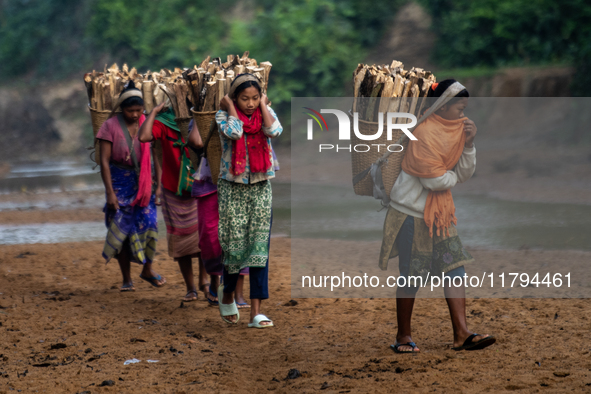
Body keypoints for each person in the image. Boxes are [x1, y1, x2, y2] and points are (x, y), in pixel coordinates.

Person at [379, 79, 496, 352]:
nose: (463, 115)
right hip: (410, 214)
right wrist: (452, 176)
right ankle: (403, 337)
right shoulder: (422, 131)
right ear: (442, 107)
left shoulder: (455, 132)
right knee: (411, 275)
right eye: (459, 108)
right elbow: (434, 181)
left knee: (455, 270)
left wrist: (469, 144)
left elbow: (463, 173)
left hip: (439, 215)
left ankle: (462, 334)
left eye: (465, 109)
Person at [215, 73, 282, 328]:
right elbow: (234, 132)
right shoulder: (223, 116)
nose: (251, 104)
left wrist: (265, 105)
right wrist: (230, 107)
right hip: (233, 187)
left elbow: (274, 130)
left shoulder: (265, 112)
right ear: (235, 98)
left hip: (261, 186)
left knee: (258, 248)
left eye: (255, 98)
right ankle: (228, 291)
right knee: (235, 247)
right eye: (245, 99)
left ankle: (256, 312)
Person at [96, 81, 165, 291]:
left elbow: (157, 156)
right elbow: (105, 162)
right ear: (121, 109)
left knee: (150, 224)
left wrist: (159, 187)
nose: (135, 115)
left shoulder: (148, 123)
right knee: (122, 232)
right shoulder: (110, 126)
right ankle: (127, 279)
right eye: (130, 110)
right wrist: (110, 193)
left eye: (138, 110)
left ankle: (147, 269)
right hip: (119, 183)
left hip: (145, 184)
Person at [138, 101, 209, 301]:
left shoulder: (202, 122)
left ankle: (205, 281)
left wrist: (197, 117)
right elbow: (143, 137)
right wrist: (153, 112)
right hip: (173, 189)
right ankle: (191, 288)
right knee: (181, 239)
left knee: (205, 237)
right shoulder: (163, 123)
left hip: (200, 186)